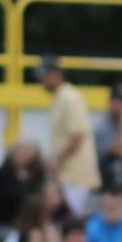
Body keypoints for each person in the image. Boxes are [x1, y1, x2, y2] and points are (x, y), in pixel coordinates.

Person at [39, 56, 100, 217]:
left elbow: (78, 135)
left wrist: (57, 160)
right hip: (68, 174)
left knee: (72, 221)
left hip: (76, 175)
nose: (41, 81)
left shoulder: (69, 97)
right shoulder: (60, 98)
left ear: (56, 75)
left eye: (44, 76)